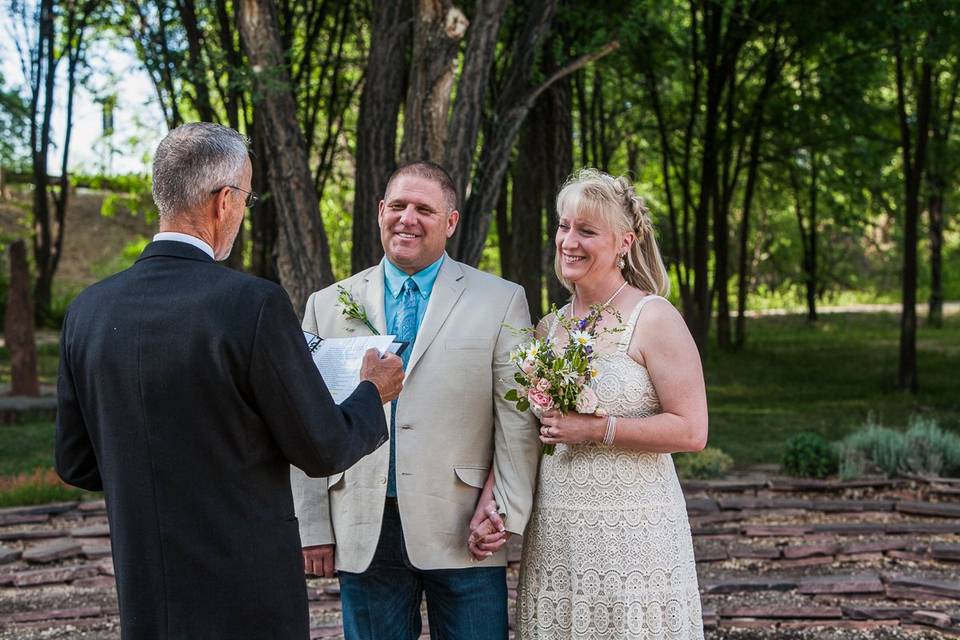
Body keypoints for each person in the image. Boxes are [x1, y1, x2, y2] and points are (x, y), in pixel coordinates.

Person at [55, 122, 404, 639]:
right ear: (224, 201)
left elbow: (76, 461)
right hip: (245, 591)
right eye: (246, 196)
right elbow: (322, 448)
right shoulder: (251, 305)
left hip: (146, 588)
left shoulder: (87, 310)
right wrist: (371, 392)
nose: (243, 210)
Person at [291, 160, 540, 640]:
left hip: (464, 522)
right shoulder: (327, 304)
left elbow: (517, 420)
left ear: (450, 222)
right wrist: (313, 525)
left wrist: (504, 511)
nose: (408, 218)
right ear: (381, 211)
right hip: (362, 522)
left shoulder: (501, 300)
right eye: (398, 206)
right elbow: (308, 420)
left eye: (424, 209)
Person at [512, 168, 707, 638]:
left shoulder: (653, 317)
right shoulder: (548, 329)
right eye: (563, 226)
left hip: (637, 534)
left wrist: (598, 429)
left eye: (586, 230)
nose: (569, 241)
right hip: (558, 534)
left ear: (624, 241)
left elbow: (692, 431)